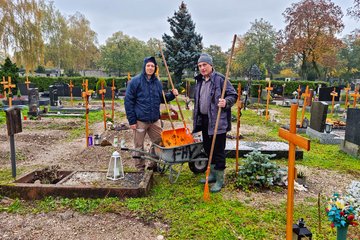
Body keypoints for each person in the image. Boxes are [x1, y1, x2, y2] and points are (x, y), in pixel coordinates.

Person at [193, 53, 237, 192]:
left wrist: (226, 102)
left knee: (218, 151)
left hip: (218, 121)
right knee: (207, 148)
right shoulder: (199, 81)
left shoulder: (220, 80)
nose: (202, 68)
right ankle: (212, 174)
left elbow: (233, 95)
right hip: (204, 120)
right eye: (200, 66)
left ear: (211, 65)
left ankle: (219, 180)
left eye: (204, 65)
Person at [125, 56, 178, 171]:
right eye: (148, 65)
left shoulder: (157, 83)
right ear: (144, 67)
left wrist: (172, 95)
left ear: (155, 68)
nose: (150, 68)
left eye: (152, 66)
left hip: (154, 120)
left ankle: (152, 165)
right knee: (139, 145)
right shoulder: (135, 82)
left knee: (158, 142)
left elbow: (161, 98)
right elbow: (128, 102)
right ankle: (140, 168)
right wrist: (132, 121)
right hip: (140, 120)